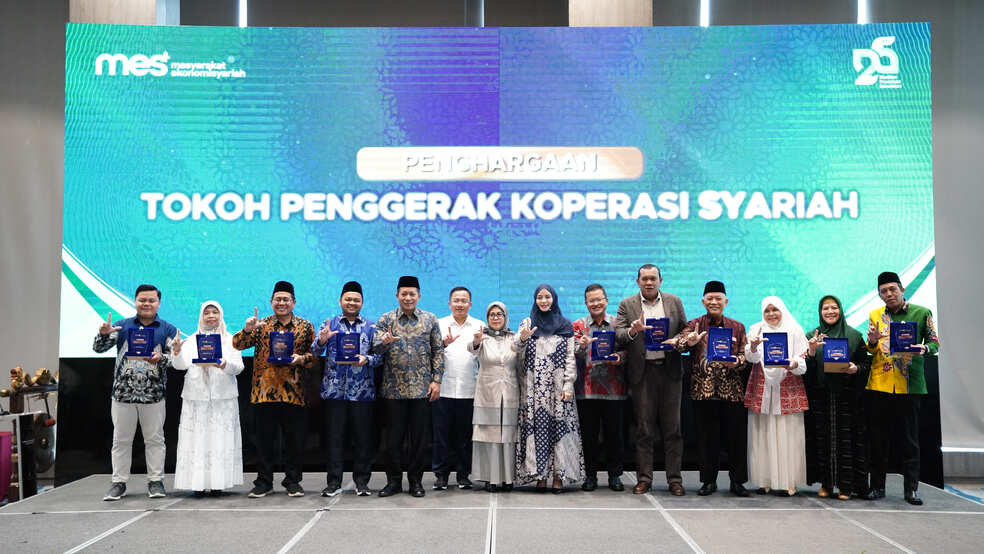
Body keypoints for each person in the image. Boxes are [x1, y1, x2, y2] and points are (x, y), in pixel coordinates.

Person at [93, 284, 178, 501]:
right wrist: (102, 334)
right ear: (135, 301)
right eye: (142, 300)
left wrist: (163, 358)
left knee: (155, 440)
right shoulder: (122, 326)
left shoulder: (168, 329)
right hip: (122, 395)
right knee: (121, 441)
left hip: (154, 396)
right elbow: (98, 348)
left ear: (159, 303)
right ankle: (118, 483)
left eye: (151, 300)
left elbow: (176, 360)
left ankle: (156, 481)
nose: (146, 304)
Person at [232, 280, 316, 499]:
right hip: (264, 392)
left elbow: (313, 357)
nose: (281, 303)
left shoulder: (305, 326)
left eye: (285, 299)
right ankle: (264, 482)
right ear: (271, 302)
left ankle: (293, 482)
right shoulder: (261, 325)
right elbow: (237, 344)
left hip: (294, 392)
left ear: (293, 302)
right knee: (264, 441)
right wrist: (247, 329)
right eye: (277, 299)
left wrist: (301, 359)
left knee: (294, 441)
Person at [862, 271, 940, 505]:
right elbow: (871, 349)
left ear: (902, 289)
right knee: (878, 440)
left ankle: (911, 490)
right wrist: (872, 341)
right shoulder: (875, 315)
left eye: (892, 289)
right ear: (879, 295)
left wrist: (924, 349)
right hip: (880, 385)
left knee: (909, 441)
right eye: (883, 291)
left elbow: (934, 342)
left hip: (910, 385)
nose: (889, 294)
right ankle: (877, 487)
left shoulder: (922, 313)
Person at [615, 264, 688, 495]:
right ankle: (644, 479)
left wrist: (677, 340)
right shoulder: (627, 304)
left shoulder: (674, 301)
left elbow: (685, 330)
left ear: (660, 280)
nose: (649, 282)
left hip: (670, 371)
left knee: (673, 430)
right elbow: (618, 334)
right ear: (638, 281)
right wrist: (633, 331)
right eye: (644, 279)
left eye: (653, 278)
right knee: (644, 430)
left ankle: (674, 480)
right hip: (643, 372)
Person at [372, 275, 444, 498]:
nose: (408, 297)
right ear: (397, 295)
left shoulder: (430, 319)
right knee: (393, 441)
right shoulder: (386, 319)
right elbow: (375, 350)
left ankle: (416, 482)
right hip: (393, 390)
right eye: (404, 294)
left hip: (422, 390)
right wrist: (383, 343)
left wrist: (436, 380)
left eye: (412, 294)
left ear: (418, 296)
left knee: (419, 441)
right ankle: (393, 481)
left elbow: (438, 351)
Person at [676, 280, 749, 497]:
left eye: (718, 298)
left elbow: (745, 355)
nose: (714, 302)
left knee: (736, 440)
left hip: (732, 391)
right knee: (707, 440)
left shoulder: (737, 326)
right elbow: (678, 345)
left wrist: (736, 362)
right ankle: (708, 481)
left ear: (726, 301)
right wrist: (689, 342)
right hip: (703, 392)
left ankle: (737, 482)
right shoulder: (695, 324)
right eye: (710, 299)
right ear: (703, 301)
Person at [311, 281, 381, 497]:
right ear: (340, 301)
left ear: (362, 302)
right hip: (334, 391)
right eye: (348, 299)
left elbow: (380, 357)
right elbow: (314, 352)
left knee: (363, 440)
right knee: (334, 439)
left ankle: (362, 482)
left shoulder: (371, 327)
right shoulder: (329, 323)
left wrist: (366, 359)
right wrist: (321, 341)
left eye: (356, 300)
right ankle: (333, 482)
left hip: (362, 392)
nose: (352, 303)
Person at [171, 300, 245, 496]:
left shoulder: (231, 340)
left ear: (220, 315)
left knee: (220, 440)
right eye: (207, 312)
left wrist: (224, 364)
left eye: (215, 312)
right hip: (197, 398)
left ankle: (218, 483)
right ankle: (197, 484)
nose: (211, 316)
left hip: (223, 398)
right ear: (201, 316)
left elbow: (239, 368)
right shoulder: (191, 340)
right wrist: (176, 352)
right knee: (197, 441)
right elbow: (180, 365)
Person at [516, 284, 584, 493]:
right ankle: (540, 475)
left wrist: (568, 384)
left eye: (547, 297)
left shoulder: (565, 325)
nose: (544, 301)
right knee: (538, 431)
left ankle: (558, 475)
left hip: (558, 389)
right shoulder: (527, 323)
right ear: (535, 300)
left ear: (553, 299)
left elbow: (570, 358)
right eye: (540, 297)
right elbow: (516, 351)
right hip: (533, 390)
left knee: (559, 430)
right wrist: (522, 338)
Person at [803, 295, 870, 500]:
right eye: (825, 308)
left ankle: (846, 486)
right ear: (820, 312)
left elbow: (866, 364)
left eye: (834, 307)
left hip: (847, 397)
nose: (830, 312)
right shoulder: (812, 336)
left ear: (840, 310)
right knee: (822, 440)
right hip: (820, 396)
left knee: (846, 441)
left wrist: (855, 368)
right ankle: (826, 484)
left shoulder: (854, 336)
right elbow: (806, 370)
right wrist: (811, 351)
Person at [744, 296, 809, 496]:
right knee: (762, 433)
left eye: (775, 310)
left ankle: (789, 481)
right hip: (762, 386)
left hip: (787, 385)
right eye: (767, 310)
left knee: (788, 433)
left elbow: (802, 363)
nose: (771, 314)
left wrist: (792, 364)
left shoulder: (795, 329)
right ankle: (764, 480)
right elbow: (751, 358)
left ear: (782, 310)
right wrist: (753, 346)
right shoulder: (756, 328)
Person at [573, 283, 628, 492]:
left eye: (599, 299)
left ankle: (615, 476)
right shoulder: (578, 326)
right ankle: (590, 476)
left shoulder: (617, 324)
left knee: (615, 436)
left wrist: (619, 357)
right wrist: (581, 346)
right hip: (586, 390)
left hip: (614, 389)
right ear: (586, 303)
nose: (595, 303)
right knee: (589, 437)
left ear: (606, 300)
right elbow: (571, 354)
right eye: (591, 301)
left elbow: (628, 349)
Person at [468, 302, 522, 492]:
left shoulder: (513, 338)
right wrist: (476, 341)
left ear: (505, 317)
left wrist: (523, 338)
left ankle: (508, 478)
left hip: (510, 392)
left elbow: (521, 352)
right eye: (492, 314)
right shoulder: (481, 337)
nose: (496, 317)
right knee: (488, 435)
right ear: (487, 317)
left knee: (508, 435)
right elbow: (472, 348)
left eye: (500, 314)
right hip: (487, 393)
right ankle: (490, 477)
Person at [433, 286, 483, 490]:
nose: (460, 304)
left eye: (464, 301)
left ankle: (463, 475)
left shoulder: (479, 326)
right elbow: (430, 354)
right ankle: (441, 476)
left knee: (465, 436)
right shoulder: (439, 324)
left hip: (470, 389)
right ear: (449, 303)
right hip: (443, 388)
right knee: (441, 436)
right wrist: (443, 344)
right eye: (456, 300)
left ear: (470, 304)